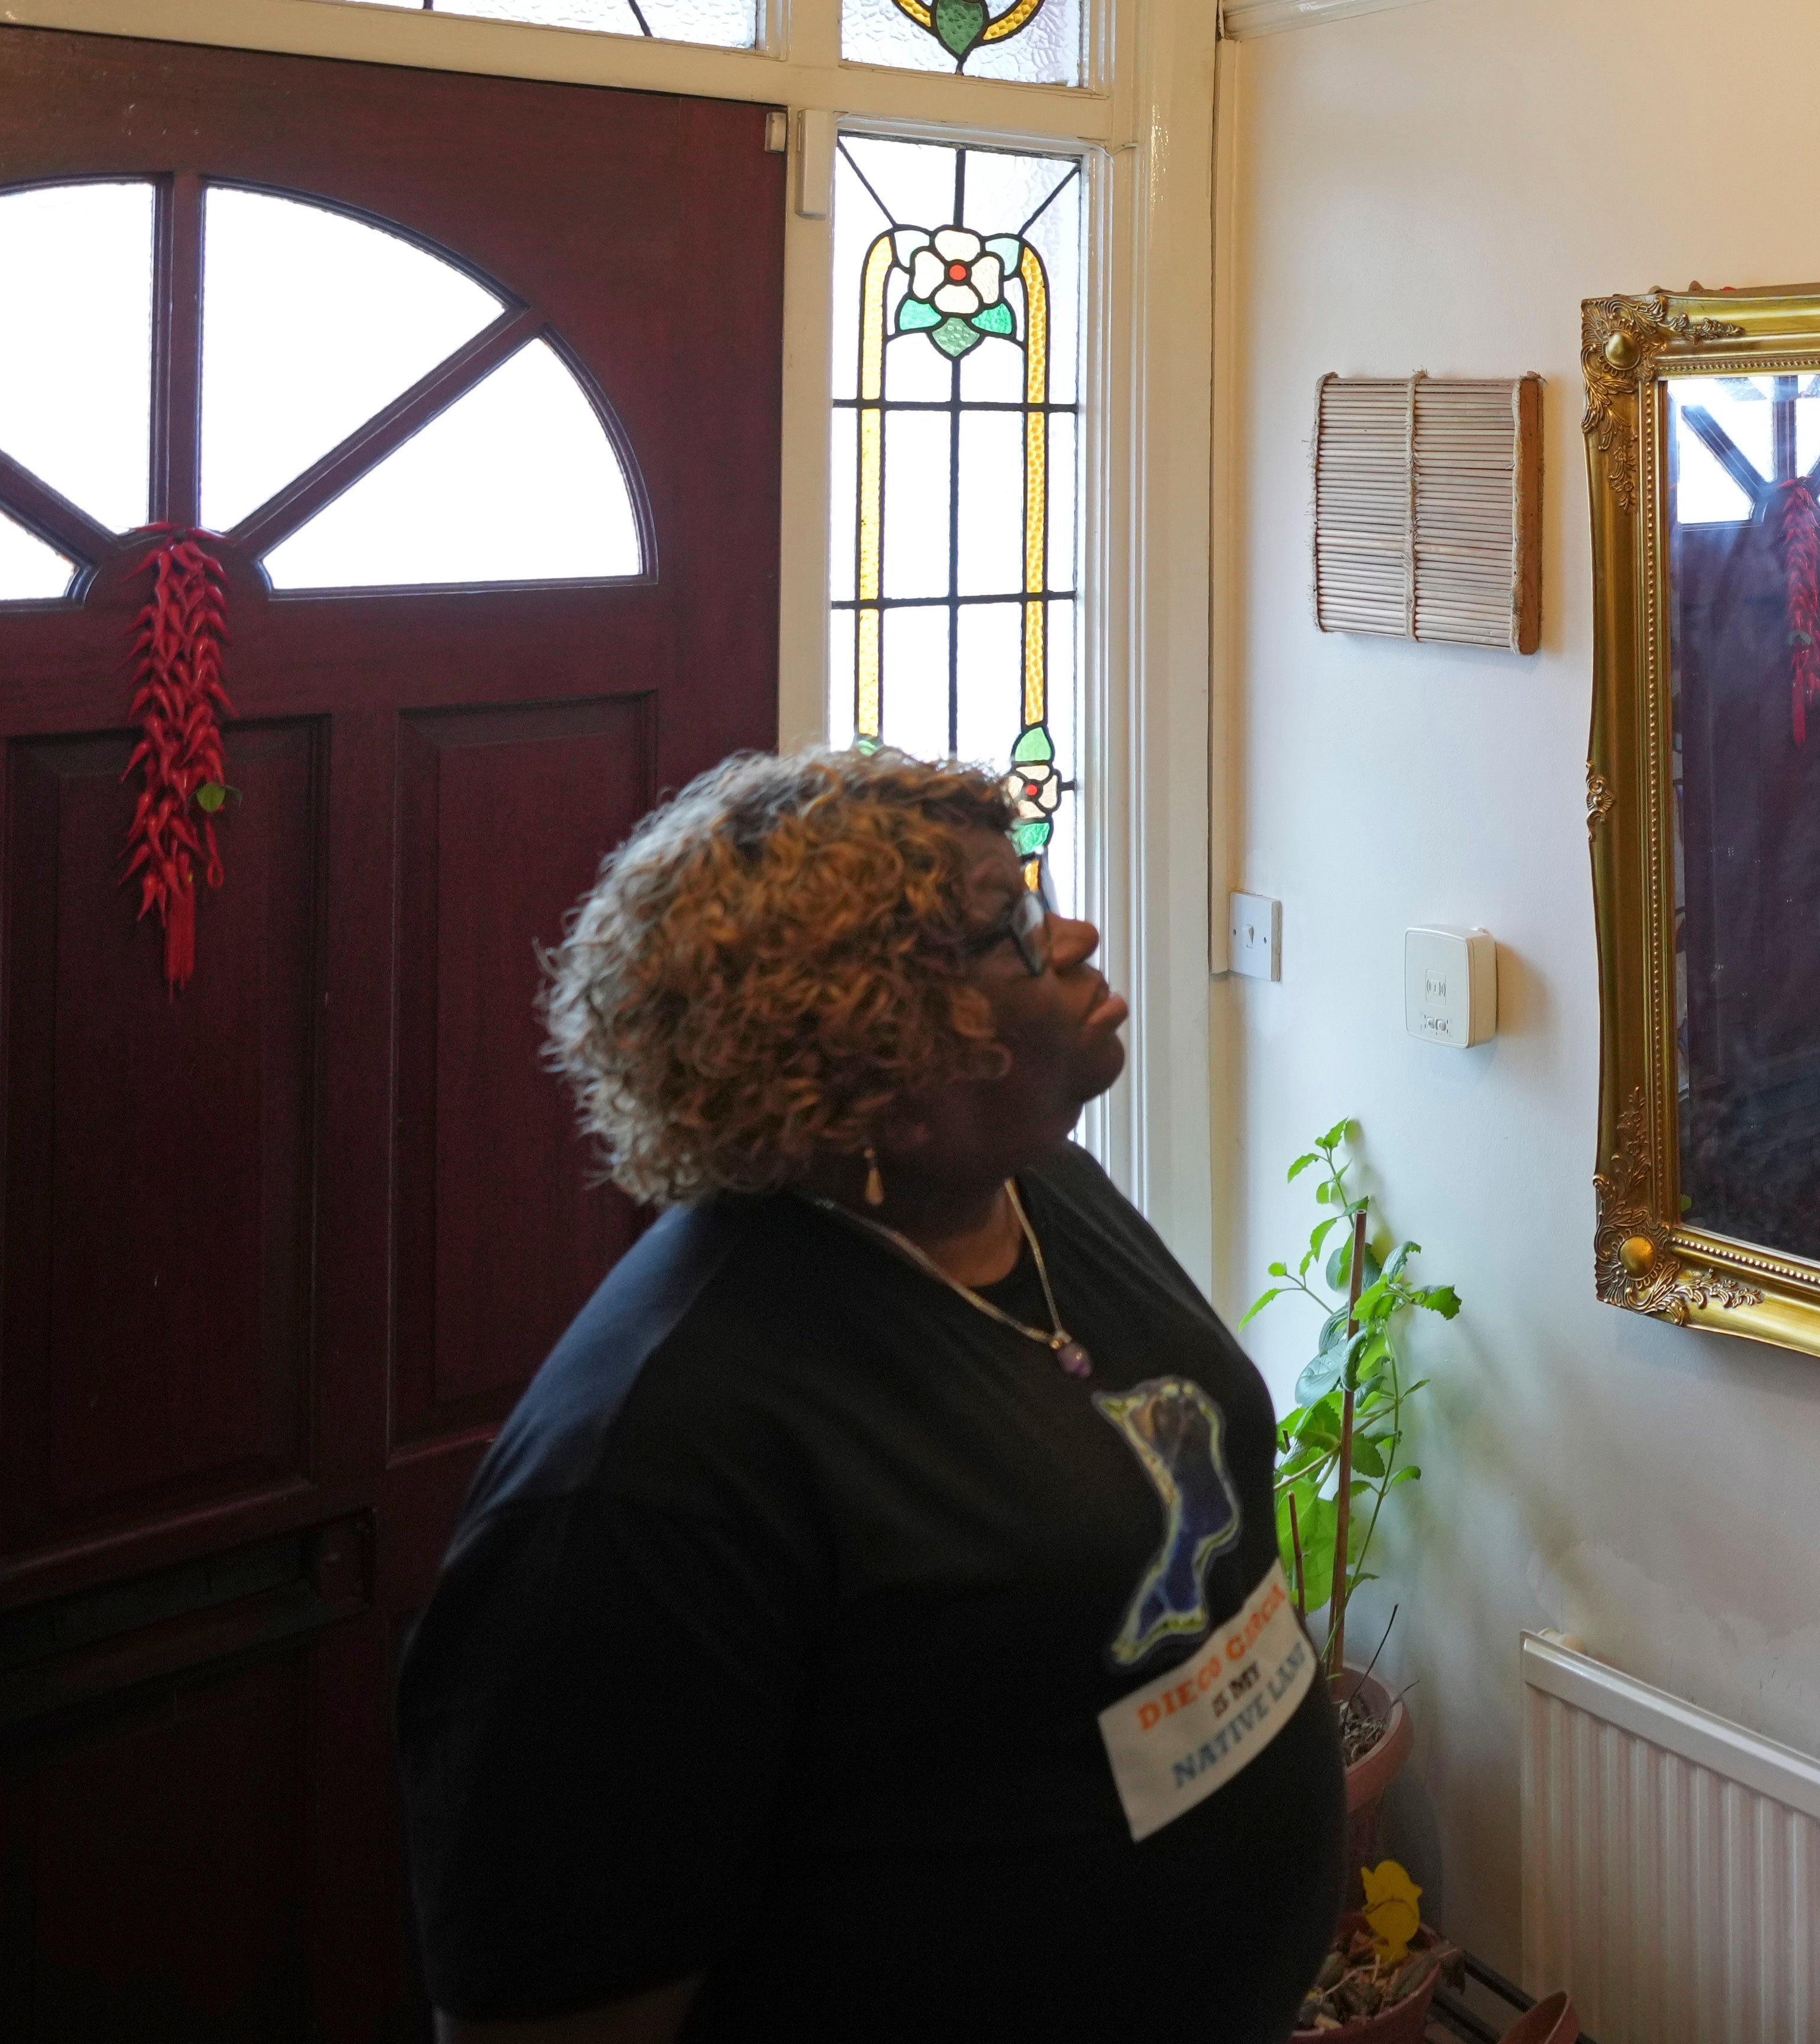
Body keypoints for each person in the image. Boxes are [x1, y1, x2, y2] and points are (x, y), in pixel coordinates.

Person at [397, 751, 1342, 2044]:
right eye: (1010, 931)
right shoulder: (649, 1466)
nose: (1073, 934)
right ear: (871, 1038)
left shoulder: (1036, 1186)